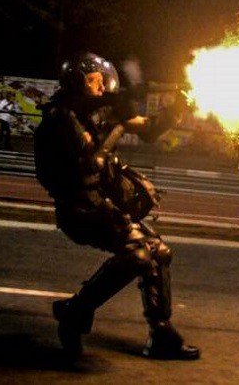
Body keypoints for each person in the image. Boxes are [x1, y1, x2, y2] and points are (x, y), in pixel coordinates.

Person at [34, 52, 198, 360]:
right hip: (79, 210)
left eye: (101, 81)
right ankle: (74, 311)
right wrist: (118, 123)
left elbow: (149, 130)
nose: (101, 87)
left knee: (158, 252)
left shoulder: (95, 111)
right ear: (77, 83)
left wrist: (178, 106)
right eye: (94, 81)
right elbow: (89, 162)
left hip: (101, 205)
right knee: (137, 254)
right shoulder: (60, 117)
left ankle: (161, 333)